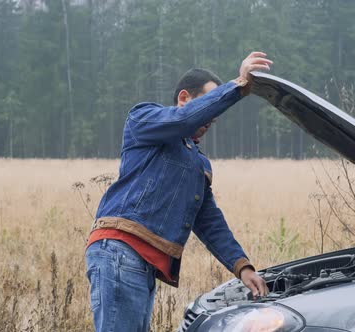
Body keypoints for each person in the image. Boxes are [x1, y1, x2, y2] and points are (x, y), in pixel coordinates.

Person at [85, 51, 273, 332]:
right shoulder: (143, 119)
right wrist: (237, 86)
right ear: (184, 98)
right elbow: (184, 120)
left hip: (141, 263)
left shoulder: (199, 164)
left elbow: (209, 220)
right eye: (209, 107)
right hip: (121, 250)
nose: (211, 119)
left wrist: (242, 266)